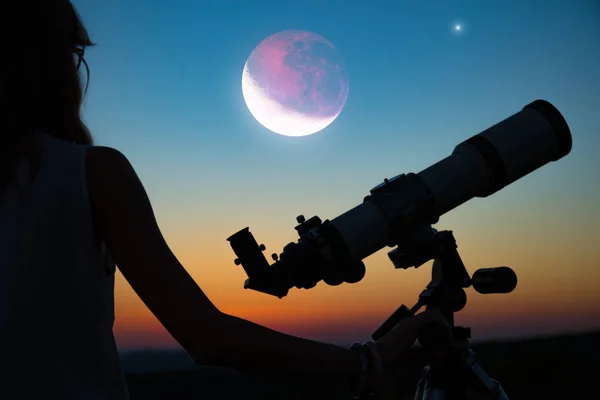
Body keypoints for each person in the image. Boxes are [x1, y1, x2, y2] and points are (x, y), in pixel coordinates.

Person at [0, 1, 447, 399]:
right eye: (72, 54)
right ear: (52, 62)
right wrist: (368, 360)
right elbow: (207, 336)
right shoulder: (92, 172)